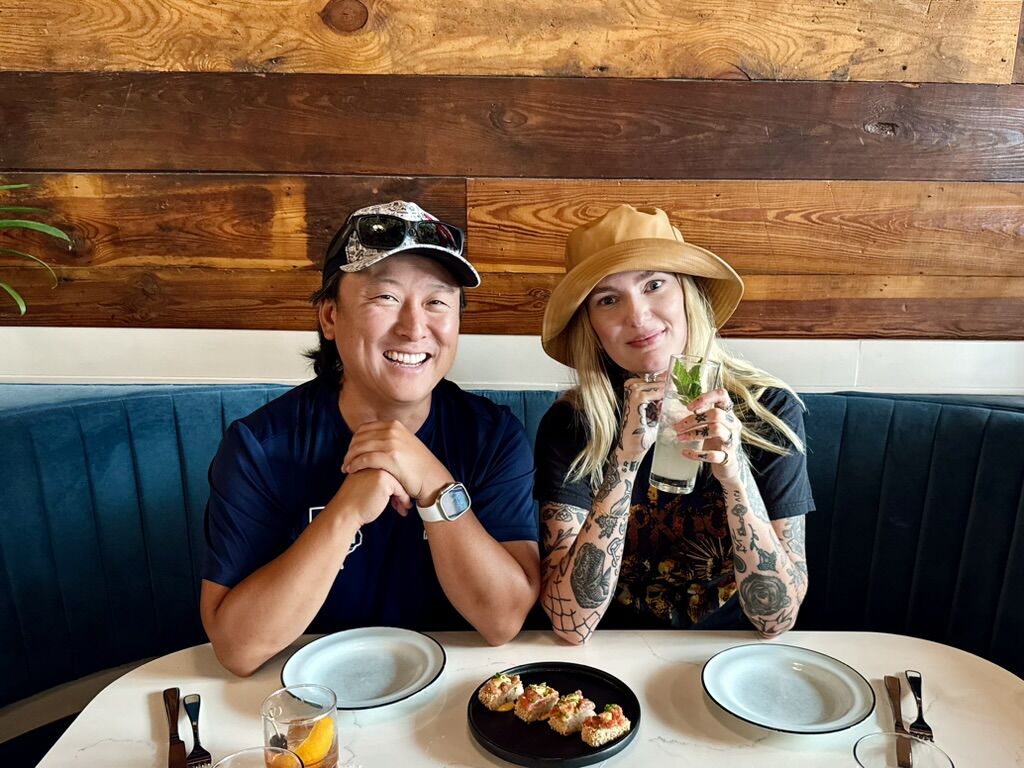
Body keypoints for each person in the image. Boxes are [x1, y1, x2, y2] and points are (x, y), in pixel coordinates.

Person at [200, 201, 540, 675]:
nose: (414, 328)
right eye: (385, 297)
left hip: (457, 689)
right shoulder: (260, 446)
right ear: (330, 317)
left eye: (437, 302)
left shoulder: (493, 436)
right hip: (311, 694)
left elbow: (502, 620)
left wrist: (434, 483)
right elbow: (238, 649)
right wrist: (346, 512)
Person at [535, 204, 813, 644]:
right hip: (611, 651)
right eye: (608, 299)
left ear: (688, 295)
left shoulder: (767, 409)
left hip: (729, 650)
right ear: (592, 328)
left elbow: (776, 620)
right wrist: (624, 462)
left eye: (654, 285)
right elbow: (570, 625)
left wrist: (735, 476)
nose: (638, 316)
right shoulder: (572, 424)